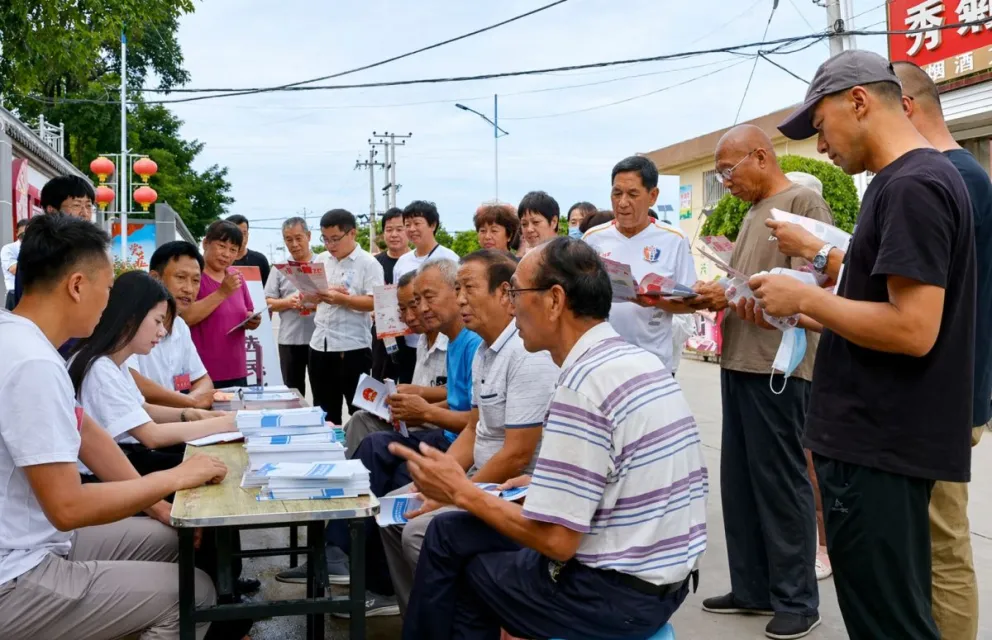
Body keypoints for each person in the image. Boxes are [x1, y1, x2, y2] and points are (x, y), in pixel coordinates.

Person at [751, 50, 976, 640]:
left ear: (858, 101)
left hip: (882, 447)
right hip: (878, 444)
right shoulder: (902, 182)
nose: (821, 146)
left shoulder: (913, 185)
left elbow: (913, 329)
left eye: (819, 126)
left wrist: (805, 300)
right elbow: (884, 316)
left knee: (890, 625)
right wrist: (803, 312)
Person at [393, 237, 707, 640]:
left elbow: (557, 542)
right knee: (448, 533)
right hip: (664, 582)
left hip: (612, 596)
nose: (512, 305)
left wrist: (461, 492)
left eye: (517, 293)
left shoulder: (582, 384)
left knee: (462, 566)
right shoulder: (636, 361)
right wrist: (536, 484)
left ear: (555, 300)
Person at [0, 213, 225, 640]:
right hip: (15, 570)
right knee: (194, 592)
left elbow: (85, 433)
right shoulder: (33, 363)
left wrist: (158, 503)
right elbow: (68, 508)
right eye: (107, 289)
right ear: (78, 285)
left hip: (34, 535)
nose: (108, 303)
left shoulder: (22, 339)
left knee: (170, 537)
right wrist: (174, 477)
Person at [686, 125, 828, 639]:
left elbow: (807, 293)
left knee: (781, 480)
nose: (726, 182)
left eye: (728, 171)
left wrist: (737, 296)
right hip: (741, 359)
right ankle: (751, 587)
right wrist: (717, 291)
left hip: (778, 368)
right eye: (720, 174)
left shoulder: (803, 203)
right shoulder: (750, 213)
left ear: (762, 156)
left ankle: (796, 598)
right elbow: (747, 284)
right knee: (740, 480)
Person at [275, 260, 480, 600]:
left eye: (425, 299)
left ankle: (350, 562)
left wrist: (426, 411)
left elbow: (477, 423)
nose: (419, 311)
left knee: (379, 454)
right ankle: (338, 552)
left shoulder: (476, 343)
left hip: (454, 445)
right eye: (411, 305)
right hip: (445, 437)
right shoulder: (460, 341)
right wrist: (418, 406)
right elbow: (463, 408)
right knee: (370, 438)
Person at [378, 249, 558, 617]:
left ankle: (453, 620)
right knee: (390, 514)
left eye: (468, 288)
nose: (459, 299)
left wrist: (452, 495)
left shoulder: (527, 355)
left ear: (504, 295)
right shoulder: (484, 352)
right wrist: (434, 479)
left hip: (513, 486)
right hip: (480, 476)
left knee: (418, 531)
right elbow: (475, 428)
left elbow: (516, 455)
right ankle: (421, 614)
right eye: (457, 289)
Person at [68, 271, 236, 477]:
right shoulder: (100, 369)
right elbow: (151, 435)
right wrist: (224, 423)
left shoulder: (111, 363)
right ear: (131, 318)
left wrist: (192, 414)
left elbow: (141, 407)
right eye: (158, 321)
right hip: (103, 477)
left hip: (123, 463)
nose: (162, 332)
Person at [583, 156, 697, 372]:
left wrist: (653, 301)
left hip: (653, 365)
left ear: (652, 196)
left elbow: (689, 304)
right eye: (617, 194)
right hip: (601, 362)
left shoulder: (674, 239)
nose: (623, 202)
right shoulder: (593, 239)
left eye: (632, 194)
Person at [307, 209, 385, 425]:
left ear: (352, 233)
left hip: (352, 349)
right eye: (325, 239)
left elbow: (375, 302)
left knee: (359, 412)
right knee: (323, 411)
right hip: (319, 345)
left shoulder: (369, 264)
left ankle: (358, 453)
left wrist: (344, 300)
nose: (330, 245)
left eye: (335, 239)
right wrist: (309, 297)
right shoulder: (321, 260)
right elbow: (313, 298)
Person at [11, 175, 96, 352]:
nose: (85, 213)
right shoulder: (43, 249)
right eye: (76, 205)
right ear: (51, 210)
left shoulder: (83, 248)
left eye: (88, 206)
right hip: (52, 346)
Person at [128, 241, 216, 411]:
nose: (189, 289)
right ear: (155, 278)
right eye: (181, 278)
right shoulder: (132, 321)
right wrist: (189, 404)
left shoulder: (180, 325)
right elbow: (132, 380)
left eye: (196, 280)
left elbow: (203, 380)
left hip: (172, 421)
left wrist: (187, 403)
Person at [186, 220, 260, 389]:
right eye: (221, 246)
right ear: (205, 243)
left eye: (233, 250)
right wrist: (222, 293)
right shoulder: (193, 276)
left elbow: (247, 311)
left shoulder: (237, 276)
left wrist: (251, 320)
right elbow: (186, 317)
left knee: (236, 415)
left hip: (237, 369)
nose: (226, 254)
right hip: (202, 373)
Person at [265, 217, 317, 397]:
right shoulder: (279, 269)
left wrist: (315, 303)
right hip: (289, 339)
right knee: (292, 392)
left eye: (298, 238)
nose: (294, 244)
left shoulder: (323, 264)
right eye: (288, 239)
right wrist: (287, 302)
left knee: (323, 391)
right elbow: (267, 301)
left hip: (319, 339)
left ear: (308, 236)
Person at [371, 207, 417, 386]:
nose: (394, 234)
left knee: (409, 380)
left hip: (412, 332)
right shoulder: (374, 263)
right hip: (383, 335)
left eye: (400, 229)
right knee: (380, 381)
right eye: (389, 230)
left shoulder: (415, 262)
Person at [227, 214, 271, 286]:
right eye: (237, 234)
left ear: (248, 234)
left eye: (244, 233)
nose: (241, 238)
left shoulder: (260, 260)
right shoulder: (221, 260)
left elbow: (268, 291)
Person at [1, 219, 27, 310]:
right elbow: (15, 270)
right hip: (14, 294)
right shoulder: (9, 248)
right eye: (23, 235)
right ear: (17, 233)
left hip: (32, 295)